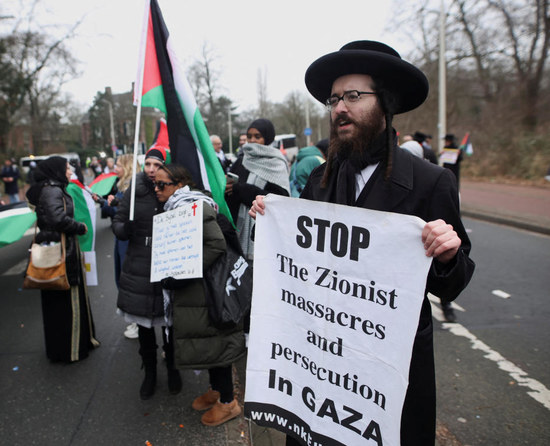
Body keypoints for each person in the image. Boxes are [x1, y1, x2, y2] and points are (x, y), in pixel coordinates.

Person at [251, 40, 475, 445]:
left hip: (387, 372)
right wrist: (272, 223)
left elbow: (452, 283)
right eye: (334, 98)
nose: (339, 108)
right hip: (319, 365)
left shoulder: (432, 182)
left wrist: (448, 254)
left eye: (353, 96)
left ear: (385, 103)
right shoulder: (320, 180)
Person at [155, 163, 245, 426]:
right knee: (209, 344)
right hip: (200, 290)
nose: (157, 188)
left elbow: (216, 244)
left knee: (217, 344)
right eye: (155, 184)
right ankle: (217, 391)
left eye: (163, 184)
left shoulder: (193, 206)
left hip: (207, 291)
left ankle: (229, 403)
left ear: (179, 185)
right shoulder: (178, 206)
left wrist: (182, 272)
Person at [112, 146, 182, 399]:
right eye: (148, 164)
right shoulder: (134, 190)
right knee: (144, 326)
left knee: (170, 324)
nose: (152, 170)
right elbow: (117, 223)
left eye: (157, 165)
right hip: (139, 267)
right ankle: (150, 373)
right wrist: (124, 228)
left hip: (167, 265)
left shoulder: (171, 188)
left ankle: (173, 367)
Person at [25, 156, 99, 363]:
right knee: (68, 298)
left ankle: (71, 346)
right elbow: (57, 219)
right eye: (67, 168)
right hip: (62, 251)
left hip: (59, 247)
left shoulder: (50, 188)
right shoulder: (52, 190)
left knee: (59, 301)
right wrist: (79, 227)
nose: (70, 172)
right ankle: (71, 349)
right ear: (56, 170)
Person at [225, 119, 290, 261]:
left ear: (267, 138)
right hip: (238, 227)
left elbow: (279, 200)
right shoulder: (242, 160)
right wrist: (228, 187)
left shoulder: (276, 163)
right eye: (249, 136)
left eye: (257, 136)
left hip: (261, 229)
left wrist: (243, 190)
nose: (252, 140)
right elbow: (232, 193)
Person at [99, 154, 139, 339]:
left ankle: (136, 321)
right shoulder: (120, 184)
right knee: (122, 275)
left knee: (128, 278)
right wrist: (103, 201)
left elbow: (126, 212)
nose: (115, 168)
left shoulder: (133, 186)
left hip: (128, 239)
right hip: (120, 237)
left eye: (118, 165)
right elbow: (112, 211)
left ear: (127, 166)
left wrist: (114, 204)